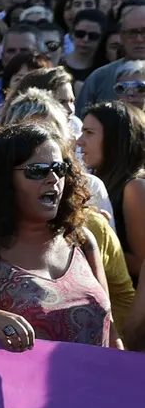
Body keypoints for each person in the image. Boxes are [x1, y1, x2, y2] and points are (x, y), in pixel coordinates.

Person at [0, 122, 112, 349]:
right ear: (3, 181)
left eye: (59, 168)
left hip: (96, 383)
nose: (53, 178)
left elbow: (111, 334)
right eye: (37, 170)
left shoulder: (81, 240)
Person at [80, 102, 145, 278]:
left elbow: (141, 264)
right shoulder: (100, 181)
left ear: (114, 139)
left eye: (89, 133)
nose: (80, 141)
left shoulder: (134, 187)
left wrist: (91, 243)